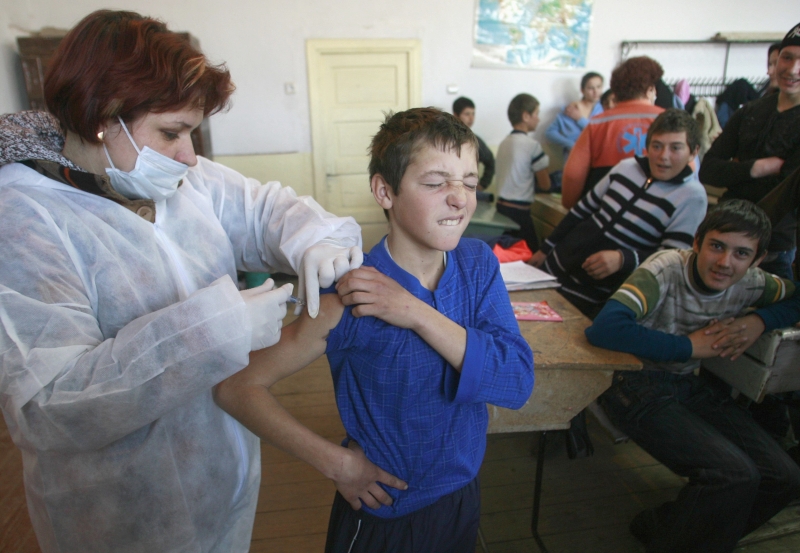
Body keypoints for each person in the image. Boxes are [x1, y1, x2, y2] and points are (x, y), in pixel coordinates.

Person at [0, 10, 364, 553]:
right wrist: (218, 327)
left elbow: (265, 209)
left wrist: (317, 235)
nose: (190, 155)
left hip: (225, 479)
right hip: (120, 514)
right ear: (104, 115)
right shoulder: (25, 217)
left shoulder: (182, 179)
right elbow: (48, 407)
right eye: (172, 132)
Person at [214, 107, 534, 553]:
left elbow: (517, 382)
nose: (460, 199)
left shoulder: (477, 264)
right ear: (385, 190)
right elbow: (236, 388)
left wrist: (415, 312)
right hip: (385, 515)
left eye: (469, 181)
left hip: (462, 496)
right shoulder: (347, 295)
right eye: (436, 182)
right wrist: (337, 464)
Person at [586, 200, 800, 553]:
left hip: (688, 386)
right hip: (633, 383)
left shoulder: (755, 282)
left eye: (741, 253)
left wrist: (759, 321)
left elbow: (795, 299)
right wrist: (688, 347)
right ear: (697, 242)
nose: (725, 262)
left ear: (757, 260)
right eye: (717, 246)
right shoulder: (666, 269)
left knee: (785, 477)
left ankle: (669, 526)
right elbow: (604, 330)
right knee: (734, 475)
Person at [530, 109, 707, 319]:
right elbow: (581, 211)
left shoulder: (692, 197)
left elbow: (671, 258)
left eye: (675, 148)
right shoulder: (626, 167)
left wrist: (624, 259)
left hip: (598, 290)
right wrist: (545, 249)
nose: (663, 156)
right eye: (657, 146)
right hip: (558, 263)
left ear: (693, 152)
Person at [700, 22, 800, 281]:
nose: (792, 69)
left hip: (773, 250)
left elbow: (787, 195)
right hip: (723, 237)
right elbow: (708, 170)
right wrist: (757, 168)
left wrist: (734, 171)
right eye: (787, 58)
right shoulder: (749, 112)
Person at [561, 56, 665, 209]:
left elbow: (573, 174)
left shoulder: (597, 124)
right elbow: (690, 170)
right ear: (650, 89)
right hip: (655, 211)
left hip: (604, 211)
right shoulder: (667, 121)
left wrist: (571, 205)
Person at [495, 93, 551, 252]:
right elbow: (545, 184)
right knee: (533, 253)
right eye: (537, 114)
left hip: (501, 209)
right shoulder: (532, 145)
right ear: (526, 116)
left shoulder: (504, 143)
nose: (538, 119)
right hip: (519, 213)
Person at [545, 71, 604, 158]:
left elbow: (598, 134)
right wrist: (570, 144)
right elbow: (549, 133)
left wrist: (580, 119)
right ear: (582, 90)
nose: (595, 91)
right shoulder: (570, 109)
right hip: (573, 159)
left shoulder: (603, 109)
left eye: (599, 87)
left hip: (596, 158)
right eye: (591, 88)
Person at [452, 96, 495, 199]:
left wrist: (483, 184)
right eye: (467, 114)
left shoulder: (476, 141)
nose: (471, 118)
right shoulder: (446, 139)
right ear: (456, 115)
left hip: (469, 193)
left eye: (473, 114)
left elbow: (491, 161)